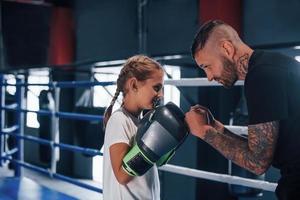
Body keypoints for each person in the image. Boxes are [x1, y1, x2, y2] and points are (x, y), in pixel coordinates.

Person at [185, 19, 300, 200]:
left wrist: (206, 133)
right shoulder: (270, 65)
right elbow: (260, 147)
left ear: (227, 49)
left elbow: (257, 163)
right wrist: (218, 128)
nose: (209, 77)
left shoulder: (261, 78)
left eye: (207, 66)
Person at [102, 55, 164, 200]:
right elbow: (121, 176)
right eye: (156, 88)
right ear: (134, 85)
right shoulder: (119, 120)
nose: (160, 95)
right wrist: (149, 146)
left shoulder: (141, 122)